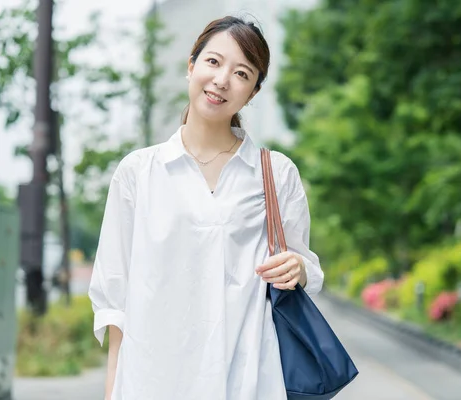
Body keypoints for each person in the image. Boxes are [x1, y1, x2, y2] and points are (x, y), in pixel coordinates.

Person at [88, 16, 324, 400]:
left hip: (249, 379)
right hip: (154, 381)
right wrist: (113, 391)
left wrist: (297, 267)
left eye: (242, 73)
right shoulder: (139, 172)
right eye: (213, 62)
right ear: (191, 65)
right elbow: (115, 299)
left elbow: (305, 267)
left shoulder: (275, 173)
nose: (222, 80)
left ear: (252, 91)